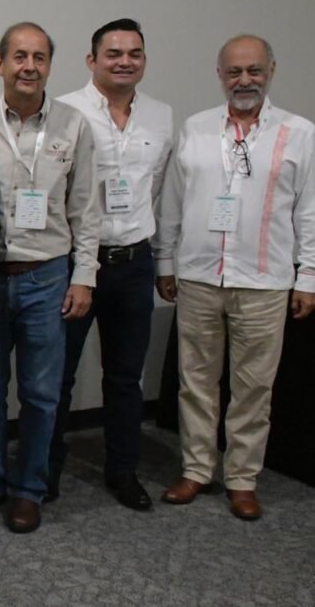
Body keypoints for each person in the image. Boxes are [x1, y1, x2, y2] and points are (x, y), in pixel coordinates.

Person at [153, 34, 315, 520]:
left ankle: (242, 478)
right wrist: (165, 263)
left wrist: (308, 275)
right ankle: (197, 468)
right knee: (195, 381)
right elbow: (173, 202)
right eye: (234, 71)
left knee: (253, 388)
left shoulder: (300, 133)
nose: (245, 80)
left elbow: (310, 212)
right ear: (219, 75)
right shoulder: (196, 128)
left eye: (254, 70)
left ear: (271, 71)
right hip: (199, 276)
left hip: (265, 281)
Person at [0, 21, 100, 534]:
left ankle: (28, 489)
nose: (29, 67)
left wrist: (84, 277)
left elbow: (86, 208)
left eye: (39, 58)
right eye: (20, 56)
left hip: (47, 276)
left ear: (49, 66)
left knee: (41, 393)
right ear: (0, 63)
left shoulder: (74, 124)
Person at [50, 19, 174, 510]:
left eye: (134, 53)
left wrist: (162, 260)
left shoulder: (161, 116)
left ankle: (123, 470)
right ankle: (46, 468)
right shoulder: (65, 111)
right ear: (92, 60)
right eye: (114, 53)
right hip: (77, 264)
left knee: (125, 377)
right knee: (57, 375)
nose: (125, 61)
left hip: (134, 263)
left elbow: (157, 189)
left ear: (144, 60)